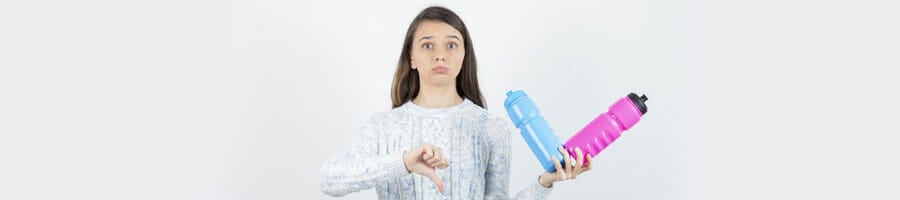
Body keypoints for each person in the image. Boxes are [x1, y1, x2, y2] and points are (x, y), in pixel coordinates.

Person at [319, 6, 592, 199]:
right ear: (411, 58)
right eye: (428, 45)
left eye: (451, 45)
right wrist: (403, 162)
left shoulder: (490, 128)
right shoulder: (383, 127)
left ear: (464, 56)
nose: (440, 55)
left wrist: (545, 183)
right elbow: (329, 180)